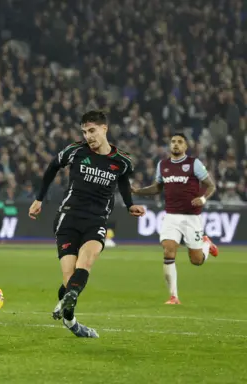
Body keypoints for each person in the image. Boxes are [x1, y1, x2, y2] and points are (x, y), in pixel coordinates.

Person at [28, 110, 146, 338]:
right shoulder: (76, 151)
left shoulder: (122, 161)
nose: (88, 136)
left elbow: (122, 178)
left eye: (92, 131)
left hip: (96, 220)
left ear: (104, 129)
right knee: (70, 278)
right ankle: (71, 320)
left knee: (86, 262)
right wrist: (39, 199)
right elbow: (52, 166)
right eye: (84, 132)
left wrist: (130, 204)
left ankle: (68, 303)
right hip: (68, 217)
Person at [132, 133, 218, 305]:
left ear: (185, 146)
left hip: (192, 217)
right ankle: (173, 296)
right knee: (168, 250)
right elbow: (157, 188)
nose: (176, 144)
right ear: (169, 145)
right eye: (173, 142)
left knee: (197, 261)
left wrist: (203, 199)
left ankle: (206, 244)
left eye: (180, 142)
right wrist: (137, 191)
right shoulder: (163, 165)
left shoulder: (194, 164)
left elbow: (211, 185)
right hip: (171, 216)